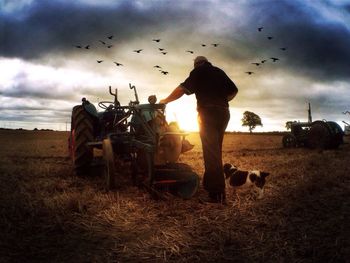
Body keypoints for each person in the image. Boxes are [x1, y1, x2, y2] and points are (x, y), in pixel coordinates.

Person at [160, 56, 238, 203]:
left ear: (196, 65)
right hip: (224, 113)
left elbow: (182, 89)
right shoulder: (219, 71)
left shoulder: (198, 72)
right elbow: (234, 90)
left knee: (210, 153)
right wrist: (222, 100)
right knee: (215, 151)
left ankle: (217, 195)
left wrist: (165, 100)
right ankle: (210, 186)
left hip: (207, 113)